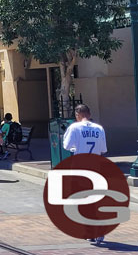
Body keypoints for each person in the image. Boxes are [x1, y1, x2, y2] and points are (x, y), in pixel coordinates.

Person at [62, 104, 107, 245]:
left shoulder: (74, 127)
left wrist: (77, 147)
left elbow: (67, 146)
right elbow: (103, 149)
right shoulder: (99, 128)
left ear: (77, 114)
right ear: (89, 113)